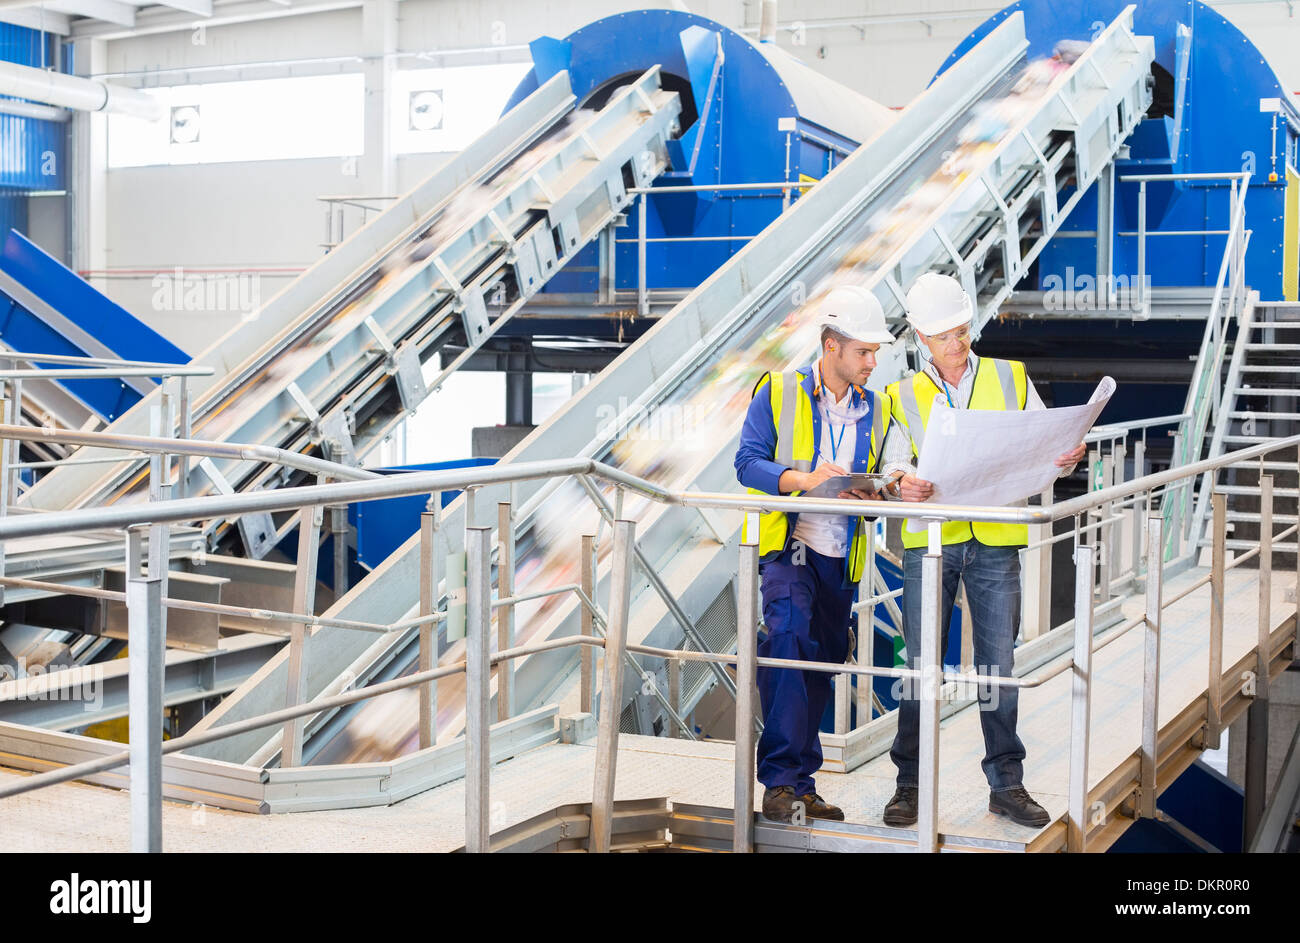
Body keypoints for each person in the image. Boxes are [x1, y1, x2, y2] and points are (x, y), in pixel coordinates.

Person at [878, 272, 1086, 830]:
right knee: (920, 667)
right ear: (922, 338)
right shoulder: (902, 394)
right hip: (932, 541)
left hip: (993, 539)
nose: (957, 341)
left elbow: (1044, 439)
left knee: (999, 667)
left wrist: (1065, 455)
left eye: (963, 329)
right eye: (944, 334)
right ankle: (910, 786)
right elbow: (893, 464)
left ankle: (1007, 785)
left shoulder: (1009, 377)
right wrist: (904, 482)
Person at [733, 284, 895, 824]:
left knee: (823, 661)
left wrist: (876, 491)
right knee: (788, 643)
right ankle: (779, 784)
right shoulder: (778, 391)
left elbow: (888, 480)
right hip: (790, 546)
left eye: (875, 352)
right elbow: (747, 462)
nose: (873, 362)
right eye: (863, 352)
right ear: (831, 346)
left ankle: (802, 783)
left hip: (840, 558)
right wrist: (803, 480)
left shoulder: (881, 407)